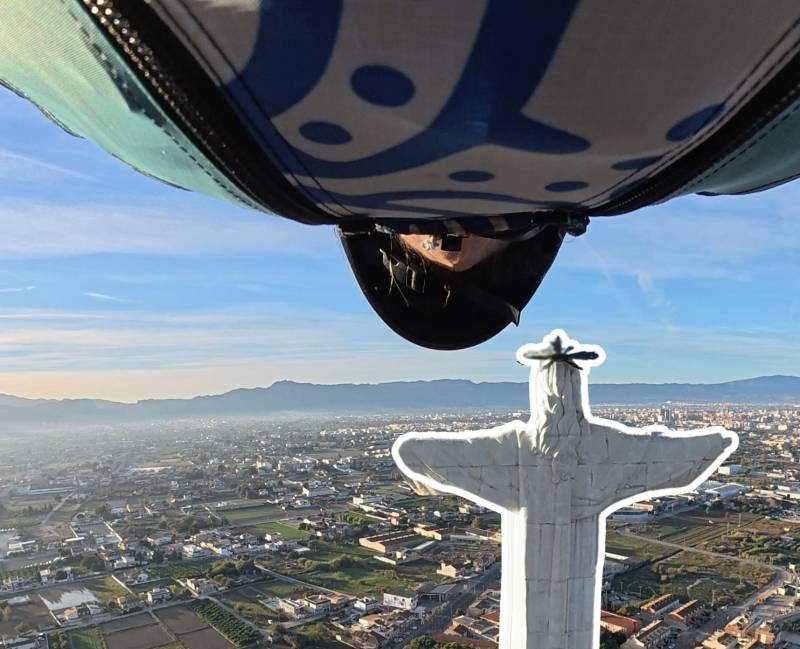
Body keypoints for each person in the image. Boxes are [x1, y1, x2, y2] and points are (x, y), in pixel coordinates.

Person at [3, 1, 800, 348]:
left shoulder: (690, 156)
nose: (441, 235)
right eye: (458, 247)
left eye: (419, 259)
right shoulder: (244, 159)